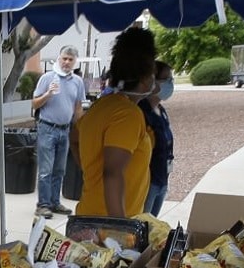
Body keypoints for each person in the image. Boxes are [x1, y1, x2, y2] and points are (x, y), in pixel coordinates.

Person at [72, 27, 157, 218]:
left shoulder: (100, 106)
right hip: (106, 227)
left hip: (91, 216)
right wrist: (119, 230)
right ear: (145, 78)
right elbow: (112, 173)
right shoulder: (128, 114)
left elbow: (74, 138)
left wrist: (90, 172)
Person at [31, 45, 86, 218]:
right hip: (47, 128)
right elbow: (34, 104)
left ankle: (54, 202)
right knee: (46, 169)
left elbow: (78, 107)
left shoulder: (77, 81)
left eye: (70, 59)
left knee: (59, 169)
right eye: (64, 58)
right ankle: (43, 204)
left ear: (75, 62)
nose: (67, 62)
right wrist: (48, 94)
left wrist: (80, 129)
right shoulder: (47, 78)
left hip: (65, 130)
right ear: (58, 58)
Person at [139, 61, 175, 216]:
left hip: (162, 178)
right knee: (143, 224)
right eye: (167, 79)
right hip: (149, 180)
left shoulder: (161, 110)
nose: (170, 84)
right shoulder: (142, 112)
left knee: (153, 225)